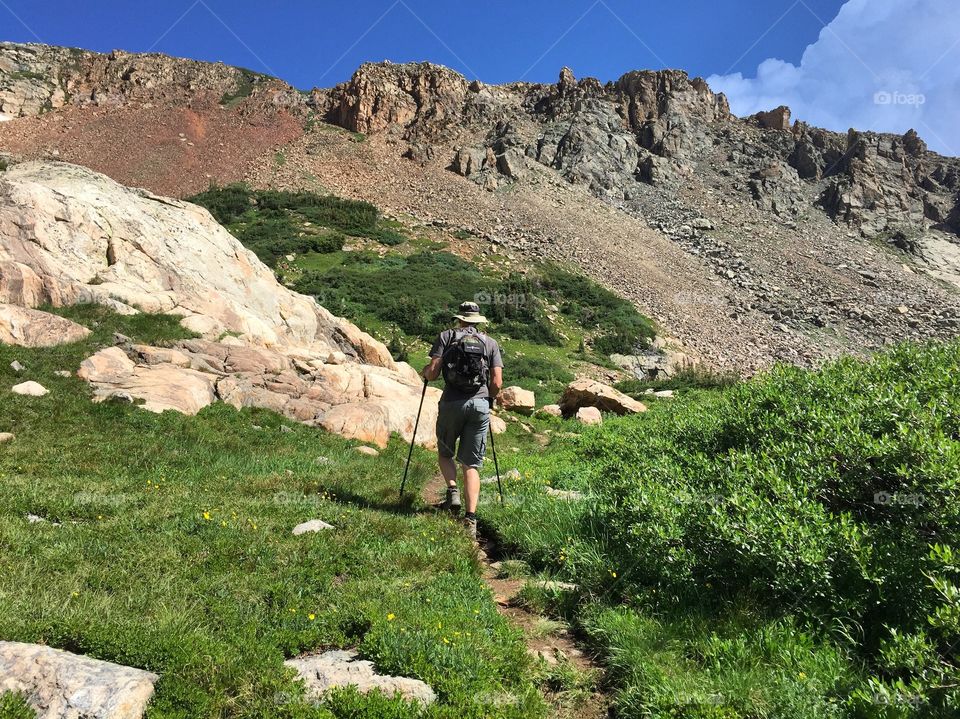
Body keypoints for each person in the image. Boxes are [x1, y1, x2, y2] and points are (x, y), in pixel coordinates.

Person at [421, 301, 503, 539]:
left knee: (445, 452)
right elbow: (497, 382)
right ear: (478, 321)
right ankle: (471, 518)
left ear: (460, 319)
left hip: (451, 403)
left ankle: (452, 491)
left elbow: (433, 374)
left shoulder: (446, 337)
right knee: (471, 464)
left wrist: (425, 371)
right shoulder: (490, 343)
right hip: (479, 405)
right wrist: (489, 398)